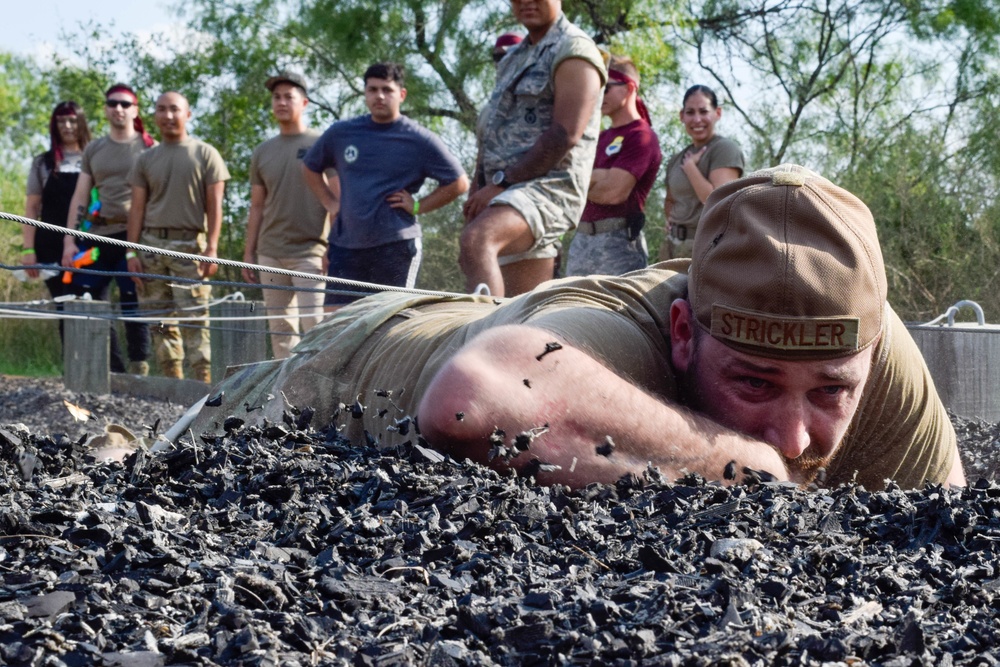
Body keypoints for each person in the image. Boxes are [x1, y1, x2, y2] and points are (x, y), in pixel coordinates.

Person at [191, 164, 965, 492]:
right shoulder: (630, 330)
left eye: (832, 391)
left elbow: (948, 531)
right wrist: (747, 471)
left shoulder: (873, 343)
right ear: (685, 331)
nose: (795, 436)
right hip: (349, 358)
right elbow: (471, 401)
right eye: (754, 382)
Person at [462, 0, 606, 297]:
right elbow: (491, 132)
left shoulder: (575, 49)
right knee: (523, 312)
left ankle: (479, 338)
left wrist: (503, 183)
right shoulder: (512, 58)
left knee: (478, 241)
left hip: (549, 188)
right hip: (507, 192)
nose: (526, 2)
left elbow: (565, 134)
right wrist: (480, 187)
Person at [301, 62, 468, 310]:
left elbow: (458, 182)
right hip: (345, 246)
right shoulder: (342, 133)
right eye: (372, 89)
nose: (379, 96)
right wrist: (331, 203)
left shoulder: (418, 138)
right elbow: (310, 167)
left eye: (387, 90)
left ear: (401, 94)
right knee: (335, 326)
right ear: (365, 93)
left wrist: (419, 206)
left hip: (395, 245)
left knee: (388, 326)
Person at [126, 91, 230, 383]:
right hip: (150, 247)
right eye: (161, 109)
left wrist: (211, 248)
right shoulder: (145, 159)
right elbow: (136, 208)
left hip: (191, 247)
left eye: (174, 109)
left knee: (195, 317)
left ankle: (201, 385)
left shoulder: (205, 153)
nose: (168, 116)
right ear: (154, 115)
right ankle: (171, 382)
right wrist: (131, 252)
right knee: (159, 320)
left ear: (188, 114)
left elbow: (215, 206)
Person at [61, 84, 154, 376]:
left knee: (133, 300)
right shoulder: (94, 148)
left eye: (126, 104)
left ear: (135, 110)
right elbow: (80, 196)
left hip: (135, 237)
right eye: (113, 103)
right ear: (105, 109)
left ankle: (140, 368)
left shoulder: (150, 147)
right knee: (90, 297)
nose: (119, 109)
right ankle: (112, 371)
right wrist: (69, 241)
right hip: (98, 236)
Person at [243, 71, 334, 359]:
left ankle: (324, 396)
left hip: (311, 252)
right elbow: (257, 206)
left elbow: (337, 201)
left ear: (304, 103)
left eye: (288, 97)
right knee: (281, 335)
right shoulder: (262, 151)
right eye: (276, 97)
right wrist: (249, 253)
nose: (281, 102)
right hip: (270, 253)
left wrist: (335, 247)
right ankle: (287, 398)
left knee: (317, 328)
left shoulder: (322, 143)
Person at [566, 55, 662, 276]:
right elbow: (568, 180)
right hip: (581, 241)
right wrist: (597, 177)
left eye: (606, 87)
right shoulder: (597, 137)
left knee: (613, 309)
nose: (600, 94)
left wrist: (583, 178)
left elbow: (612, 192)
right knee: (570, 308)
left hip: (618, 244)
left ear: (628, 88)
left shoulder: (641, 136)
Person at [658, 85, 744, 261]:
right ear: (682, 116)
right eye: (690, 112)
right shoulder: (676, 158)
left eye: (703, 111)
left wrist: (690, 168)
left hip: (708, 247)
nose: (697, 119)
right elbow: (670, 199)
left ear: (717, 113)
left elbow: (714, 200)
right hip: (672, 247)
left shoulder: (725, 149)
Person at [22, 101, 91, 309]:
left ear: (81, 123)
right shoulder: (42, 162)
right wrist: (28, 250)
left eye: (72, 120)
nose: (67, 126)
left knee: (94, 306)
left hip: (88, 244)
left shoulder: (94, 158)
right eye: (61, 121)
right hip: (50, 246)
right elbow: (32, 208)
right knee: (64, 308)